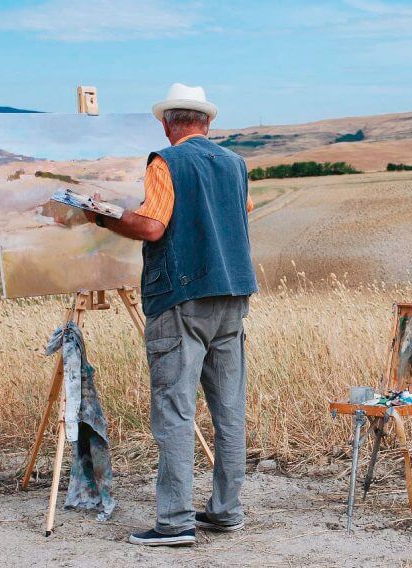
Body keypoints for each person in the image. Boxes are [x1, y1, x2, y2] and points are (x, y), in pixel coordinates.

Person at [85, 83, 258, 546]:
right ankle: (226, 510)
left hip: (181, 300)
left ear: (166, 124)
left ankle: (175, 522)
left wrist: (102, 214)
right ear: (207, 123)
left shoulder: (167, 161)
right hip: (232, 297)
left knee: (175, 412)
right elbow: (243, 211)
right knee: (229, 411)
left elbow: (152, 225)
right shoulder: (235, 164)